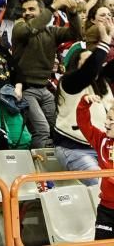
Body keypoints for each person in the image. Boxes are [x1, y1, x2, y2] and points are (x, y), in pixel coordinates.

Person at [12, 0, 81, 148]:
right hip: (25, 89)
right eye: (24, 10)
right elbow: (31, 29)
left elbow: (75, 34)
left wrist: (73, 13)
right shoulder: (19, 28)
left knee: (58, 129)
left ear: (42, 12)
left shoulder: (52, 32)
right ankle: (40, 170)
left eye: (31, 9)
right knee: (42, 130)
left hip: (44, 88)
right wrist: (54, 6)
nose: (27, 13)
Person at [54, 14, 114, 183]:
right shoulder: (69, 83)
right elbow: (89, 71)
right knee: (102, 184)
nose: (95, 64)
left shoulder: (103, 83)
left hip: (104, 147)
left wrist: (112, 39)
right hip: (74, 149)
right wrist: (103, 42)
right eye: (87, 61)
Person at [76, 93, 114, 240]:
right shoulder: (101, 140)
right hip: (106, 210)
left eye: (111, 120)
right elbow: (83, 124)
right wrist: (84, 103)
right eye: (106, 118)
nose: (105, 123)